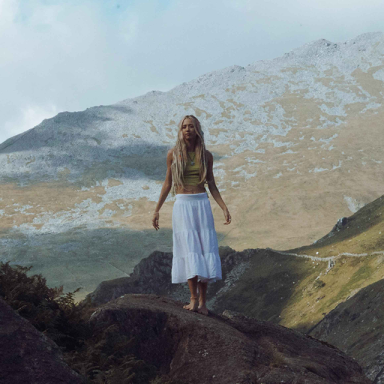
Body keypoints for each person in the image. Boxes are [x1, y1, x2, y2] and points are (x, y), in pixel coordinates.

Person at [152, 115, 231, 316]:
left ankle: (204, 302)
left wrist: (223, 207)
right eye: (184, 127)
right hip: (182, 205)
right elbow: (168, 183)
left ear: (197, 130)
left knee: (204, 249)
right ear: (181, 130)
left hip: (201, 203)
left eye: (191, 126)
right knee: (188, 249)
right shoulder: (173, 155)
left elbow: (211, 183)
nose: (187, 130)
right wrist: (157, 210)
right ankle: (193, 299)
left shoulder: (206, 156)